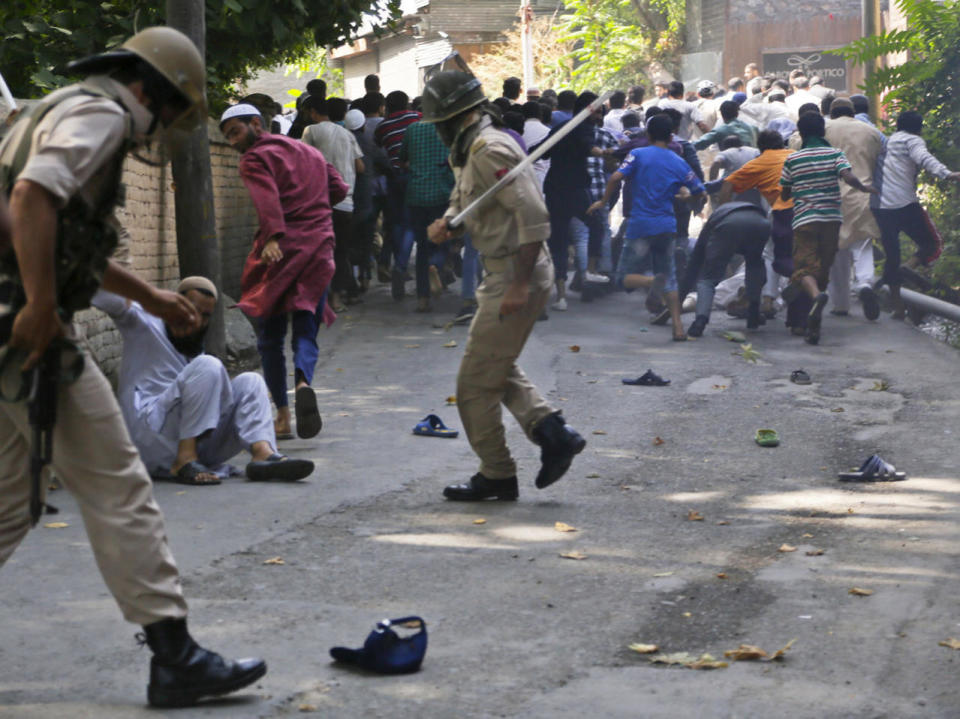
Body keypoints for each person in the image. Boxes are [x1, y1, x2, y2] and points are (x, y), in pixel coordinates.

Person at [0, 26, 265, 707]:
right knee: (120, 484)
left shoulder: (50, 109)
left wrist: (149, 294)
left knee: (11, 498)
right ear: (157, 93)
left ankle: (175, 656)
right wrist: (37, 303)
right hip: (26, 333)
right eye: (176, 112)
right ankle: (174, 656)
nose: (166, 129)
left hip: (13, 326)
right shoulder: (105, 115)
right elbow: (33, 197)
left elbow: (59, 230)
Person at [421, 71, 586, 501]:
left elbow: (533, 215)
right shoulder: (471, 148)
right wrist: (450, 224)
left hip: (517, 273)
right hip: (503, 271)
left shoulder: (489, 147)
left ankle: (496, 473)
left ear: (450, 119)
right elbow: (471, 203)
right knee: (493, 365)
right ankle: (554, 433)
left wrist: (518, 285)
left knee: (474, 383)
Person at [92, 278, 314, 484]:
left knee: (251, 381)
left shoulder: (194, 348)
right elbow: (99, 288)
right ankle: (184, 460)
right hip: (149, 438)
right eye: (190, 309)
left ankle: (262, 453)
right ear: (176, 302)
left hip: (194, 443)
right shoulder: (144, 320)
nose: (195, 320)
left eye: (205, 315)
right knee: (209, 365)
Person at [220, 103, 347, 439]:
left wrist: (273, 236)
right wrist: (313, 205)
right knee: (306, 329)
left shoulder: (253, 158)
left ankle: (282, 415)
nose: (233, 142)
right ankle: (303, 382)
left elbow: (266, 198)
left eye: (235, 132)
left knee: (270, 338)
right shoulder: (306, 150)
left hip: (280, 254)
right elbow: (339, 188)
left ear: (256, 124)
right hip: (319, 248)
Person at [589, 114, 706, 341]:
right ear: (671, 135)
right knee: (670, 275)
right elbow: (699, 191)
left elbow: (615, 176)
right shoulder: (677, 161)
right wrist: (684, 198)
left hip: (640, 224)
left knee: (622, 277)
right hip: (667, 225)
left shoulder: (638, 154)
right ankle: (678, 328)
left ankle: (652, 282)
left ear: (648, 134)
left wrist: (603, 201)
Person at [779, 112, 877, 344]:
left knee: (804, 269)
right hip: (832, 219)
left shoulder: (793, 159)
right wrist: (863, 189)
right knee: (822, 270)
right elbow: (847, 175)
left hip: (805, 219)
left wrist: (796, 188)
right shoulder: (835, 154)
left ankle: (816, 297)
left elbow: (784, 192)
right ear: (823, 131)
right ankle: (815, 326)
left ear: (801, 133)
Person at [875, 110, 960, 318]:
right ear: (919, 127)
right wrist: (947, 174)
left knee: (891, 256)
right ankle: (909, 266)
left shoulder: (885, 141)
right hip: (904, 203)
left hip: (879, 206)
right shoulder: (913, 140)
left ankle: (897, 307)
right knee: (933, 243)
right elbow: (924, 158)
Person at [301, 96, 365, 310]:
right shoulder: (348, 135)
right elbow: (360, 168)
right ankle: (337, 298)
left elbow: (303, 160)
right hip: (346, 202)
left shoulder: (311, 131)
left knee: (316, 252)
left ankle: (316, 298)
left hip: (319, 202)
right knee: (340, 251)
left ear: (315, 113)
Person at [823, 97, 884, 320]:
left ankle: (840, 304)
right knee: (862, 243)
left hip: (829, 196)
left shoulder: (824, 129)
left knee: (837, 250)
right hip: (862, 194)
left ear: (831, 112)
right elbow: (880, 163)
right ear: (852, 111)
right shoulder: (870, 132)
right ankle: (865, 284)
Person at [683, 202, 771, 336]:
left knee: (708, 279)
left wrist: (679, 298)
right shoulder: (742, 209)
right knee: (755, 265)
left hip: (728, 226)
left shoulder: (712, 223)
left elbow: (695, 263)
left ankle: (700, 321)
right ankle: (753, 313)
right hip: (761, 224)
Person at [400, 119, 455, 312]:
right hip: (442, 193)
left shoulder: (413, 128)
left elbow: (402, 157)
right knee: (444, 239)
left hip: (416, 194)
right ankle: (436, 264)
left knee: (422, 245)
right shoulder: (449, 129)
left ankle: (423, 299)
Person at [375, 91, 422, 300]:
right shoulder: (417, 119)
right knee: (416, 223)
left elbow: (380, 147)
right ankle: (413, 266)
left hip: (395, 178)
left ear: (387, 106)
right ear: (408, 103)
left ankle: (398, 264)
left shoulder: (382, 126)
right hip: (416, 177)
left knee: (398, 223)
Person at [693, 100, 757, 151]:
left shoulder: (721, 131)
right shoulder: (752, 127)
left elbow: (699, 144)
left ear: (722, 115)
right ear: (737, 114)